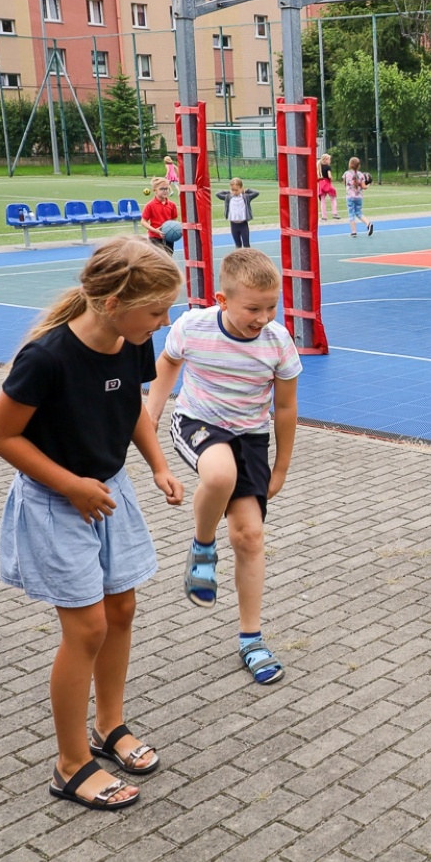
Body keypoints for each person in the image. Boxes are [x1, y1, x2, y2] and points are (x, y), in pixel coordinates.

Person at [0, 236, 186, 811]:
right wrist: (70, 485)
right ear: (113, 300)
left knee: (122, 609)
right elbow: (1, 436)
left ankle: (110, 726)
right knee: (87, 628)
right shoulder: (47, 358)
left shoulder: (132, 339)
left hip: (108, 491)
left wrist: (159, 465)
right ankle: (71, 764)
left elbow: (133, 411)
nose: (164, 322)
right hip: (57, 500)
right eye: (156, 310)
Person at [146, 249, 300, 685]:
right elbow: (168, 364)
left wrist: (281, 467)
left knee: (250, 536)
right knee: (218, 474)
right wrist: (151, 415)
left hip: (251, 437)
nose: (263, 317)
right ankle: (202, 546)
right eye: (253, 308)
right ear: (222, 299)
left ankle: (251, 638)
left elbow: (285, 408)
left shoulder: (277, 342)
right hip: (197, 422)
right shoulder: (191, 327)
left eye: (272, 306)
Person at [215, 178, 259, 249]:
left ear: (241, 188)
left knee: (246, 245)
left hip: (243, 224)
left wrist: (246, 190)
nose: (235, 192)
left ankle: (247, 259)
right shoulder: (228, 197)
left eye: (237, 190)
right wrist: (229, 192)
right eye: (233, 190)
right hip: (234, 225)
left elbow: (256, 192)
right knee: (238, 245)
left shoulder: (246, 197)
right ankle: (238, 259)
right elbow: (217, 194)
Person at [142, 178, 179, 255]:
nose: (165, 190)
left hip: (169, 237)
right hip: (155, 238)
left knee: (168, 257)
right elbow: (143, 221)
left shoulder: (172, 205)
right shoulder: (150, 205)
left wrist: (175, 229)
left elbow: (174, 219)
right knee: (157, 259)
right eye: (162, 189)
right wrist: (155, 230)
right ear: (154, 190)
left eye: (167, 188)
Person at [342, 157, 374, 238]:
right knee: (359, 213)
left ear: (350, 164)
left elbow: (345, 183)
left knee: (351, 214)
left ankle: (353, 232)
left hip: (350, 196)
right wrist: (368, 184)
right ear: (358, 165)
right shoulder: (361, 175)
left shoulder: (346, 173)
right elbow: (364, 187)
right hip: (359, 197)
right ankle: (368, 224)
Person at [317, 153, 339, 220]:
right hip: (326, 183)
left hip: (321, 183)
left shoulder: (319, 167)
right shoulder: (327, 167)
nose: (330, 161)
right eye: (329, 160)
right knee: (333, 197)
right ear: (326, 160)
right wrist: (331, 178)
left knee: (322, 200)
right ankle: (334, 213)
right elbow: (329, 176)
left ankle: (324, 216)